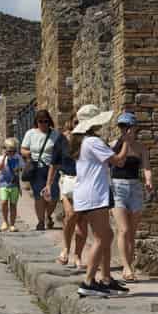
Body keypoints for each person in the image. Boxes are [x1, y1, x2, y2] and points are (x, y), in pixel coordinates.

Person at [71, 105, 132, 298]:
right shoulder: (93, 141)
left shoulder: (83, 142)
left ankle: (105, 278)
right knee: (100, 238)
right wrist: (127, 142)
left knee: (108, 234)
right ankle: (88, 282)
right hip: (94, 195)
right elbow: (119, 161)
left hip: (89, 194)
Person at [110, 112, 153, 281]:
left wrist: (149, 180)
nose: (124, 130)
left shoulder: (141, 148)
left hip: (135, 186)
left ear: (134, 128)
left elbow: (146, 167)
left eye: (127, 126)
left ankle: (129, 264)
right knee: (124, 229)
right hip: (117, 186)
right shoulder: (115, 144)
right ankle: (126, 267)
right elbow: (116, 162)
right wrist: (125, 144)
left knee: (132, 232)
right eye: (122, 126)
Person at [44, 112, 89, 268]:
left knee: (82, 224)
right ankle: (65, 248)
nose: (78, 125)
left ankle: (78, 256)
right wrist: (49, 184)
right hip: (68, 181)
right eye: (76, 121)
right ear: (71, 122)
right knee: (71, 214)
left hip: (85, 182)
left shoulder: (88, 140)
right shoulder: (62, 139)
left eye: (82, 122)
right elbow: (54, 164)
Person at [20, 109, 61, 231]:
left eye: (45, 121)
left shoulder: (55, 135)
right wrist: (29, 153)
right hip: (36, 168)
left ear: (49, 121)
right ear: (36, 122)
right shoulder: (30, 133)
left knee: (53, 196)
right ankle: (41, 221)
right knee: (39, 196)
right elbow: (22, 149)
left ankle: (48, 215)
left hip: (52, 169)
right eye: (40, 121)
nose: (43, 124)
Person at [0, 138, 25, 232]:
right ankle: (5, 221)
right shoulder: (2, 158)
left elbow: (22, 167)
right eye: (9, 151)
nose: (11, 153)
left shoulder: (18, 157)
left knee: (13, 204)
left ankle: (12, 224)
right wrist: (4, 156)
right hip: (4, 183)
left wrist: (19, 169)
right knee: (4, 202)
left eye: (13, 151)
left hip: (14, 184)